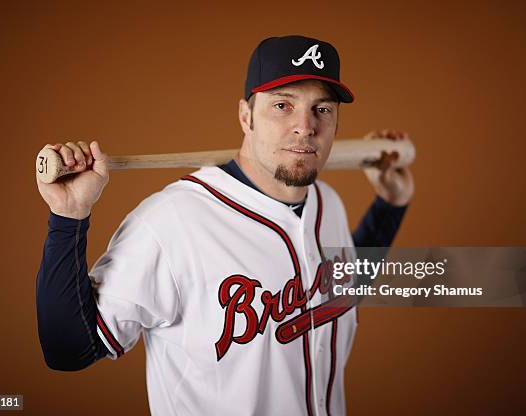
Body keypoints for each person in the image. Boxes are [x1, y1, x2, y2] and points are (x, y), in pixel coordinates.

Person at [36, 35, 414, 416]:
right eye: (283, 105)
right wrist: (69, 216)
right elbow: (70, 349)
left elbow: (333, 292)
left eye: (322, 109)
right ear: (245, 116)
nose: (305, 126)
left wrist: (389, 206)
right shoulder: (172, 222)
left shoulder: (326, 202)